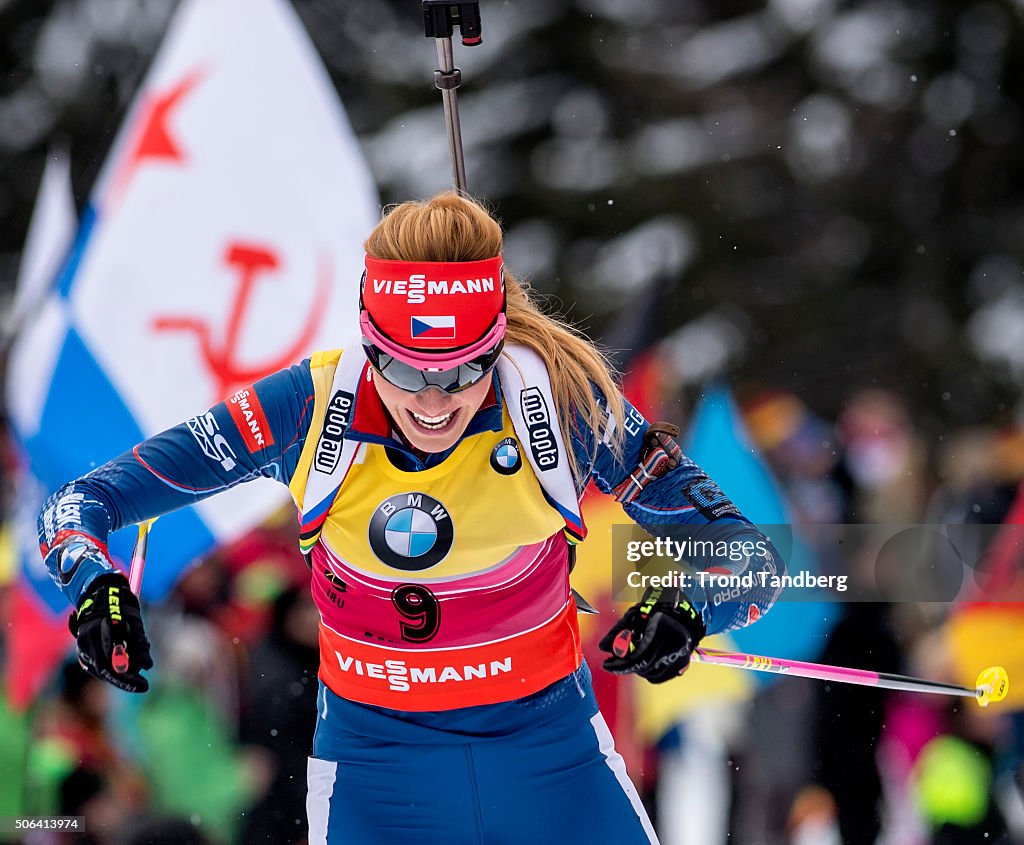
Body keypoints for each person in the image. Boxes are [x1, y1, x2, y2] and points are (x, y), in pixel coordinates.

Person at [38, 192, 785, 845]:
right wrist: (95, 583)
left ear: (497, 338)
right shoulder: (307, 408)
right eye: (403, 368)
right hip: (378, 774)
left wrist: (689, 608)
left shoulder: (564, 407)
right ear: (368, 340)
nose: (434, 401)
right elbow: (79, 503)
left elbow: (754, 560)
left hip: (551, 761)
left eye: (465, 367)